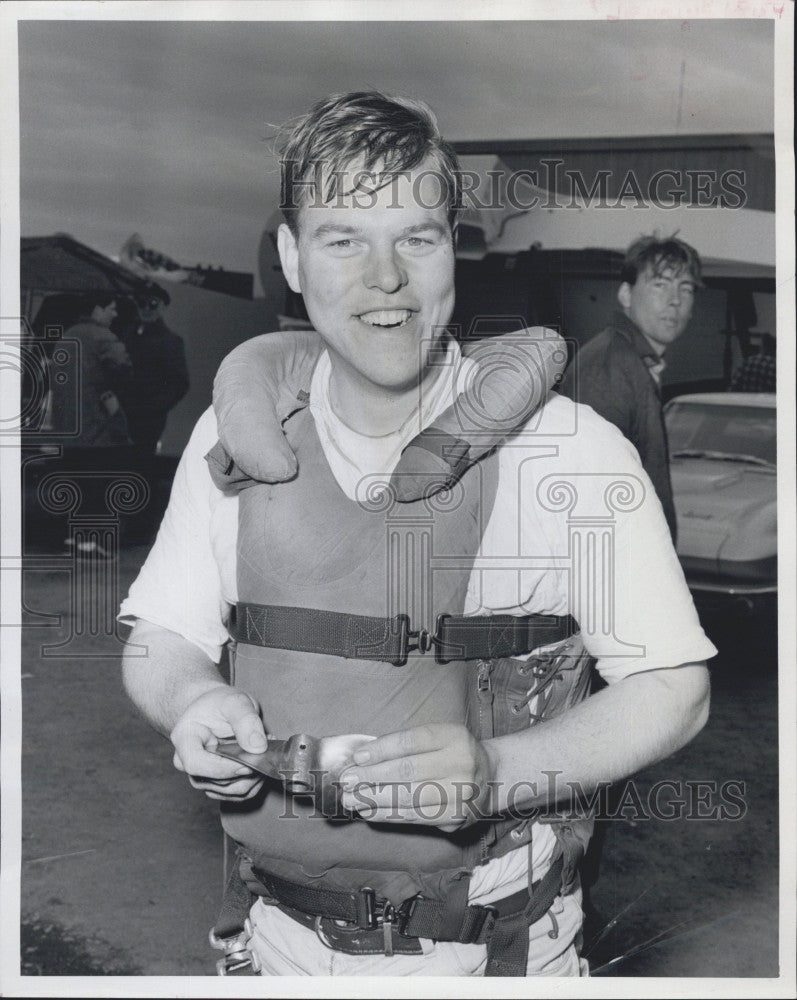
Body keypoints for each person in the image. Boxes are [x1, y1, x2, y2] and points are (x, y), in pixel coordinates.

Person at [120, 91, 714, 978]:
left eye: (416, 238)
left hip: (494, 954)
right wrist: (190, 703)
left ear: (453, 251)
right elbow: (161, 639)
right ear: (290, 256)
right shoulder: (231, 438)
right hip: (274, 941)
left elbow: (674, 686)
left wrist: (494, 774)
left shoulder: (571, 448)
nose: (384, 278)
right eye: (342, 239)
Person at [559, 236, 702, 543]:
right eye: (660, 284)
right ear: (625, 294)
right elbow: (593, 494)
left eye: (686, 288)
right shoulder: (610, 367)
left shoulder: (631, 359)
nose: (675, 300)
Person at [116, 289, 190, 456]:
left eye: (153, 304)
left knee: (139, 465)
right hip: (121, 414)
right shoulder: (126, 334)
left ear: (163, 307)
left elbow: (179, 383)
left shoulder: (170, 340)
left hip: (147, 420)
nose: (147, 309)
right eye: (142, 303)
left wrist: (152, 409)